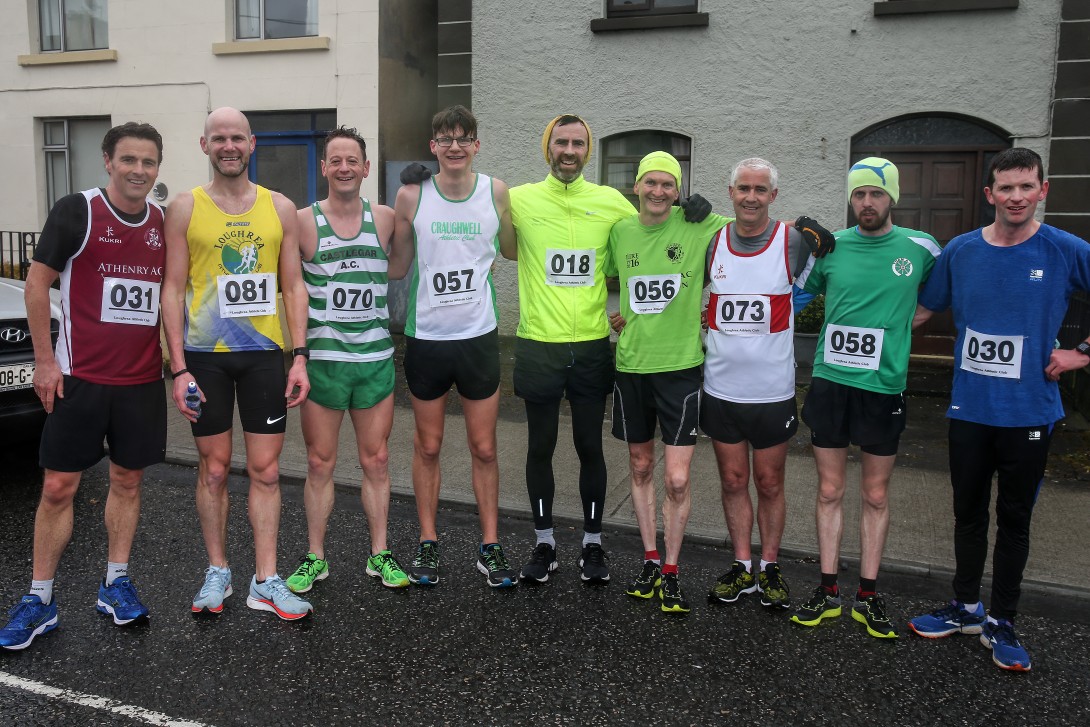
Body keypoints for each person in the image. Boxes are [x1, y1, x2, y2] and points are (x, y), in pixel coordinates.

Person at [907, 148, 1090, 671]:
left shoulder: (1064, 250)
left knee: (1014, 520)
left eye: (1025, 187)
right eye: (1006, 188)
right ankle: (965, 607)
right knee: (967, 514)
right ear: (989, 195)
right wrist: (872, 339)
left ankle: (1002, 621)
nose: (1016, 197)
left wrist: (1082, 353)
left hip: (1029, 413)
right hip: (969, 410)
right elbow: (922, 309)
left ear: (1042, 191)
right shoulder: (961, 251)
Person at [508, 115, 711, 584]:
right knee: (540, 446)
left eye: (579, 143)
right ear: (548, 147)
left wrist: (692, 207)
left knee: (589, 447)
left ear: (588, 150)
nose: (570, 150)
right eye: (562, 142)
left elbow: (654, 226)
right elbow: (477, 213)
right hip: (539, 343)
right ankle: (544, 543)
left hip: (593, 346)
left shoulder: (611, 202)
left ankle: (593, 545)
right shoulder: (518, 199)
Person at [0, 122, 167, 650]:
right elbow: (36, 283)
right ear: (108, 161)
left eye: (148, 162)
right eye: (129, 160)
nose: (138, 170)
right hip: (81, 379)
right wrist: (45, 363)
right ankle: (39, 598)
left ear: (157, 168)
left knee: (127, 482)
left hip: (141, 382)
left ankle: (115, 582)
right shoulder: (78, 210)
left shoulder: (164, 221)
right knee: (57, 487)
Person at [161, 107, 313, 620]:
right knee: (215, 469)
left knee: (267, 471)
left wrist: (299, 358)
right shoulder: (184, 207)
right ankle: (218, 570)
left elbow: (293, 285)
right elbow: (173, 289)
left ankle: (266, 580)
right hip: (206, 360)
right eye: (217, 138)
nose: (228, 146)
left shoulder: (281, 207)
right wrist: (177, 368)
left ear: (252, 144)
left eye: (237, 138)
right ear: (204, 146)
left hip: (265, 358)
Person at [790, 157, 940, 638]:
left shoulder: (921, 247)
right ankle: (829, 590)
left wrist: (895, 329)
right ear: (851, 199)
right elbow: (792, 295)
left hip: (883, 388)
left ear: (892, 197)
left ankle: (869, 597)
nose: (867, 203)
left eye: (876, 194)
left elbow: (935, 300)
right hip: (832, 383)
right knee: (830, 490)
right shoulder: (832, 246)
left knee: (875, 495)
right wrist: (796, 243)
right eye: (859, 194)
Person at [388, 105, 519, 588]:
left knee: (484, 447)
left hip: (478, 338)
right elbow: (396, 265)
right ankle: (428, 542)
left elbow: (513, 249)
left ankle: (490, 545)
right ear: (433, 147)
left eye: (464, 138)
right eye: (446, 138)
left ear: (477, 146)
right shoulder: (410, 195)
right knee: (428, 445)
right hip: (428, 340)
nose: (455, 146)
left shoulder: (496, 191)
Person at [703, 158, 834, 610]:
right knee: (734, 480)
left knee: (769, 483)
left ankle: (771, 567)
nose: (751, 197)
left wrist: (819, 238)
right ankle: (742, 565)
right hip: (720, 389)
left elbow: (834, 270)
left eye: (760, 189)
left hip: (772, 391)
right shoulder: (713, 240)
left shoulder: (791, 241)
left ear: (773, 196)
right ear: (731, 191)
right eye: (744, 188)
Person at [283, 126, 407, 594]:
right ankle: (316, 556)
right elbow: (290, 287)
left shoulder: (387, 218)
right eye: (335, 160)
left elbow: (402, 264)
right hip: (325, 362)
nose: (344, 168)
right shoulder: (303, 221)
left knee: (376, 460)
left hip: (374, 360)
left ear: (366, 167)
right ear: (323, 168)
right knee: (320, 462)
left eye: (351, 160)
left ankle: (380, 554)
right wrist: (295, 354)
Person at [607, 152, 731, 612]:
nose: (659, 191)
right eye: (650, 182)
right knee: (640, 467)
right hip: (632, 367)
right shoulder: (620, 231)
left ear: (678, 191)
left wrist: (810, 237)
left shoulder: (699, 224)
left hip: (680, 367)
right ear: (636, 186)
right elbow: (605, 279)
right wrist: (615, 319)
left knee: (677, 478)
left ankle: (674, 569)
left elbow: (752, 226)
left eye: (668, 184)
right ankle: (651, 559)